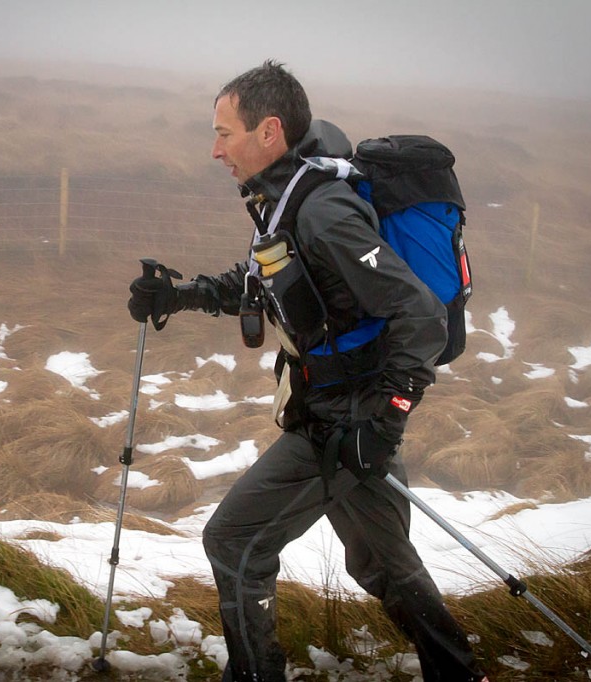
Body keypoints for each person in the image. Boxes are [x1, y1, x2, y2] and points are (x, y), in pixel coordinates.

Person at [127, 60, 488, 682]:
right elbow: (272, 277)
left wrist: (384, 421)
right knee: (380, 560)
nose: (215, 150)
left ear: (268, 132)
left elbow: (420, 315)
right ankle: (458, 672)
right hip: (339, 409)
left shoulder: (322, 212)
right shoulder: (283, 196)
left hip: (345, 419)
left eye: (224, 133)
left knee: (234, 543)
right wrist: (181, 295)